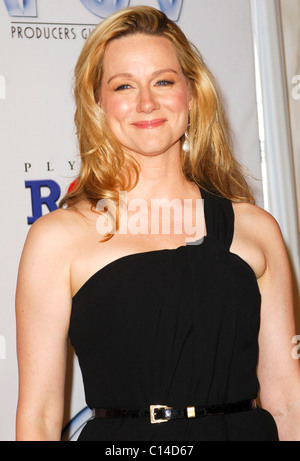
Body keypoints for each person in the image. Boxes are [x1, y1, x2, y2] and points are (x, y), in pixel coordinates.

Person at [15, 6, 300, 441]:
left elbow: (287, 401)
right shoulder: (57, 239)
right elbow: (38, 417)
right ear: (98, 103)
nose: (146, 102)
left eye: (163, 81)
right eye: (124, 85)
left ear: (192, 92)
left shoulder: (255, 229)